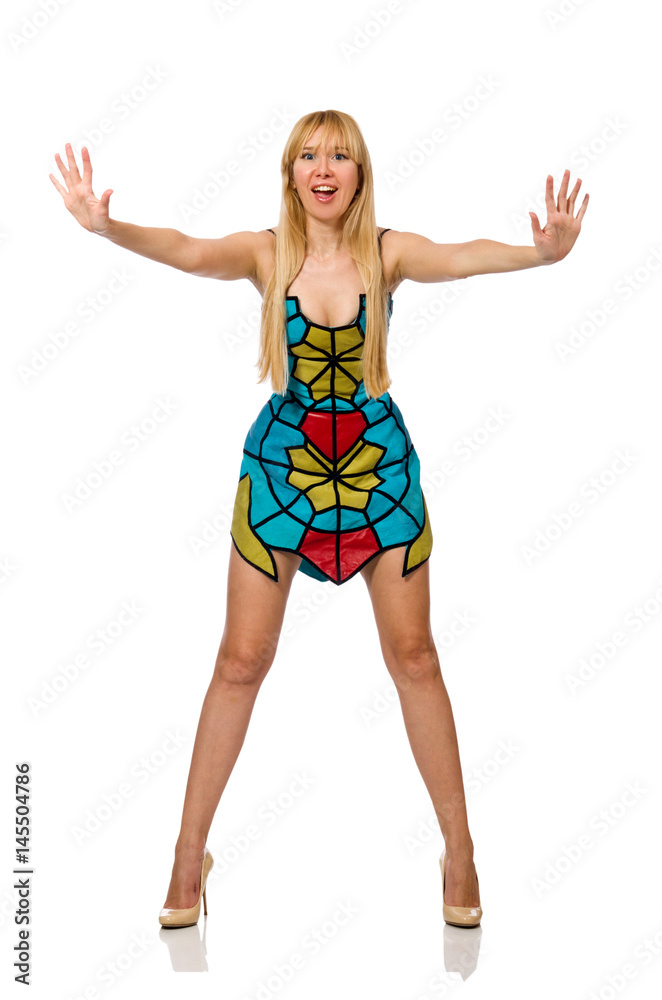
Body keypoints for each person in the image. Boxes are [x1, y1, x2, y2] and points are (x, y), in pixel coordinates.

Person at [49, 109, 588, 931]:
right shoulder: (267, 254)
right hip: (283, 469)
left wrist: (540, 254)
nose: (324, 168)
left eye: (340, 155)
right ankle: (189, 856)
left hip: (378, 471)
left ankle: (461, 852)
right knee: (240, 661)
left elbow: (462, 257)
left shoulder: (388, 254)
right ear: (290, 173)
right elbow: (188, 249)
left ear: (360, 173)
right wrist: (106, 226)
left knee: (415, 656)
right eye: (309, 155)